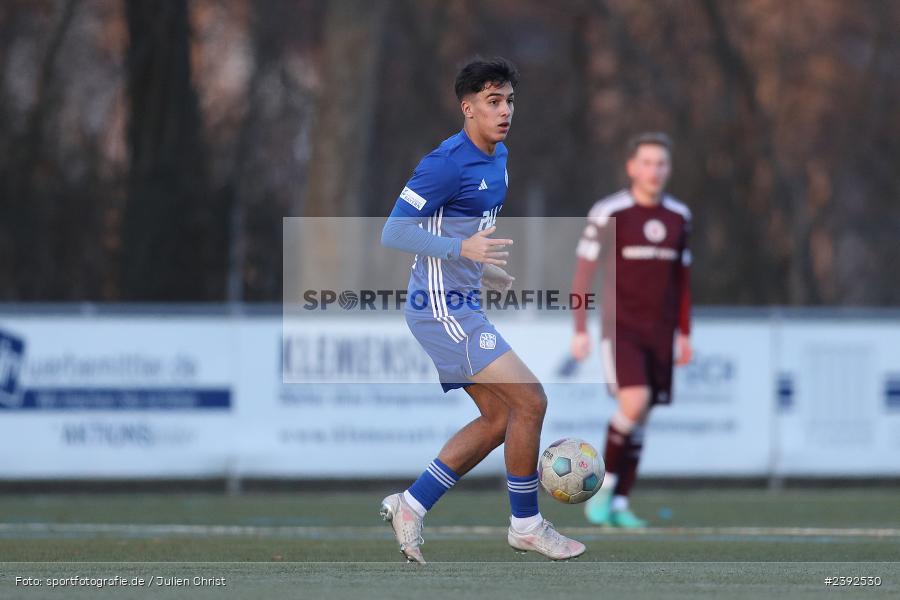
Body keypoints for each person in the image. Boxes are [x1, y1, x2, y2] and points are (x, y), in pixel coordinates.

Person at [378, 57, 585, 563]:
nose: (505, 110)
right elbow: (393, 231)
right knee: (531, 400)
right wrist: (461, 253)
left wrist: (481, 268)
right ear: (467, 109)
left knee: (499, 419)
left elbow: (458, 231)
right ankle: (526, 524)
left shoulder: (500, 157)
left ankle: (411, 504)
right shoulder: (445, 162)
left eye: (509, 100)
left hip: (463, 300)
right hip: (439, 309)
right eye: (493, 102)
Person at [570, 132, 693, 528]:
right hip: (619, 328)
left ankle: (620, 505)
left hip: (660, 333)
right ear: (631, 167)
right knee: (634, 403)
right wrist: (579, 328)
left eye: (661, 164)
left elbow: (682, 283)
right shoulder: (609, 212)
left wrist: (684, 333)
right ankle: (603, 489)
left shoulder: (679, 217)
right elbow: (583, 276)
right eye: (647, 163)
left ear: (669, 170)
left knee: (643, 418)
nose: (654, 171)